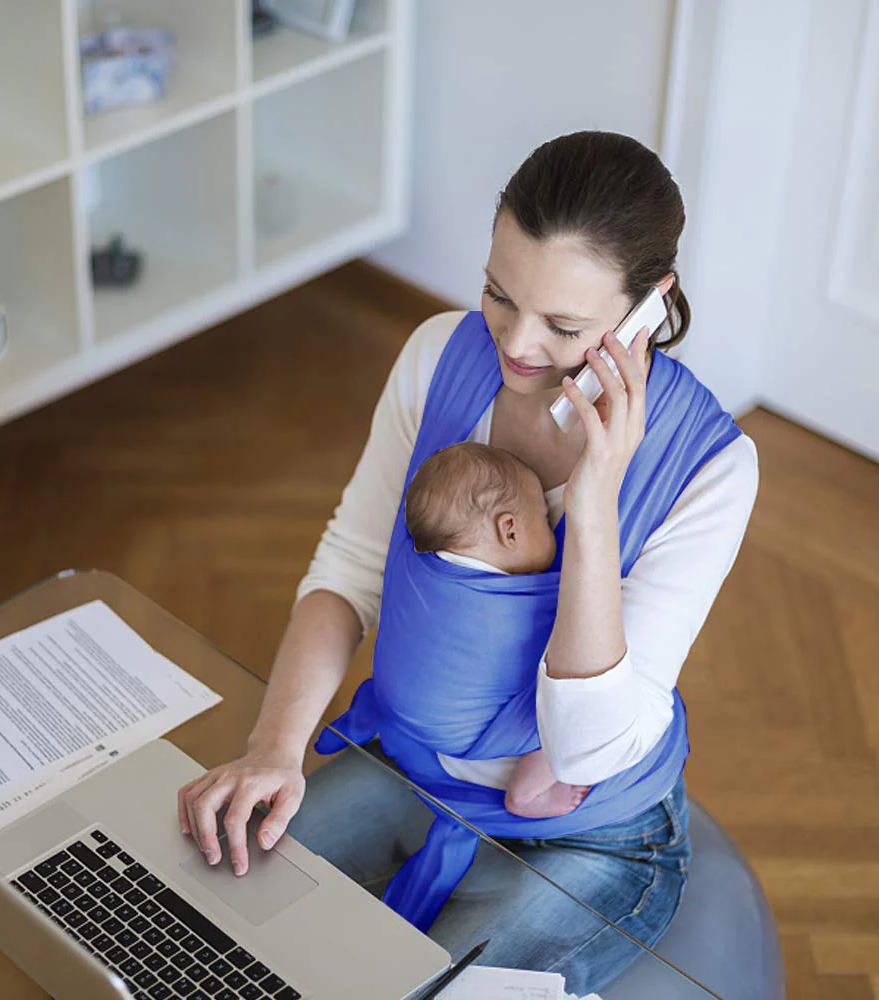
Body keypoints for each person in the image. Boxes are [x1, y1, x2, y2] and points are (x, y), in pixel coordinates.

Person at [178, 131, 759, 994]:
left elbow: (588, 747)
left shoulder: (712, 467)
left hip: (593, 831)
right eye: (497, 293)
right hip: (417, 768)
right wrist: (274, 747)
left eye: (564, 326)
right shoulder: (435, 357)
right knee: (200, 935)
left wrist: (592, 507)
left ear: (648, 307)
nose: (516, 345)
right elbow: (350, 569)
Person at [404, 440, 590, 818]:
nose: (550, 528)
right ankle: (527, 793)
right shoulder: (508, 608)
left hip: (410, 722)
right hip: (469, 734)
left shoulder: (428, 570)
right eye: (542, 518)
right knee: (570, 704)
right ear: (510, 530)